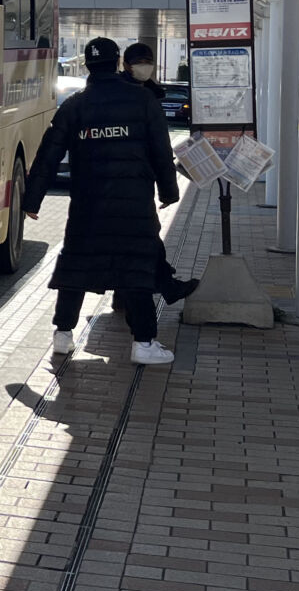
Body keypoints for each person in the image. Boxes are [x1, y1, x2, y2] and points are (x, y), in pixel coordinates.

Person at [27, 37, 181, 365]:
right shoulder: (143, 101)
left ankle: (63, 335)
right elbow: (161, 152)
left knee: (76, 268)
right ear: (116, 63)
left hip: (88, 206)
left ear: (87, 66)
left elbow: (48, 155)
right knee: (137, 271)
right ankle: (143, 343)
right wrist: (169, 192)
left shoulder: (75, 106)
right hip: (133, 205)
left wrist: (31, 200)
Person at [122, 41, 200, 305]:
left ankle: (130, 294)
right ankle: (166, 287)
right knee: (145, 238)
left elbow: (160, 148)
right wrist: (168, 189)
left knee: (139, 239)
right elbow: (159, 149)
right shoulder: (126, 93)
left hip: (135, 182)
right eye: (139, 62)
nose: (144, 67)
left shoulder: (153, 93)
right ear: (125, 64)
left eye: (148, 62)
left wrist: (167, 189)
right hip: (128, 181)